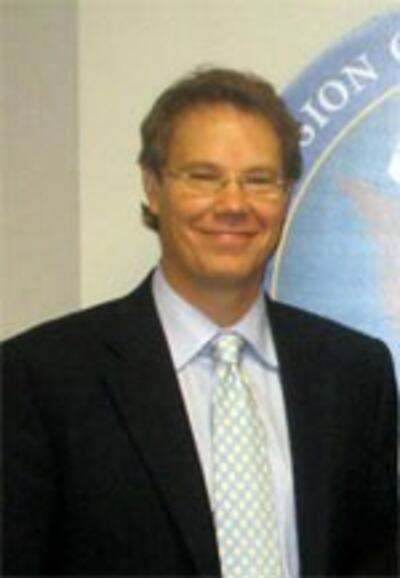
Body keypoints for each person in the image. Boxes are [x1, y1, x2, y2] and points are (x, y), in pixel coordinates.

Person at [3, 67, 398, 577]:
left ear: (286, 197)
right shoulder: (40, 381)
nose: (233, 204)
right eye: (204, 177)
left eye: (259, 180)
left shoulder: (353, 375)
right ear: (152, 187)